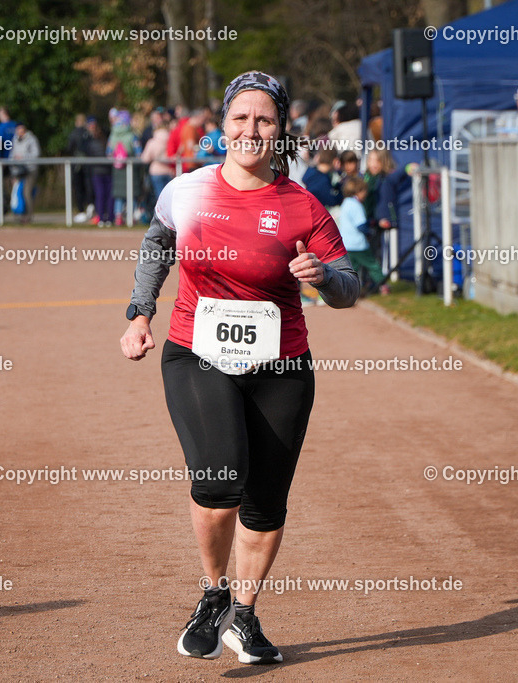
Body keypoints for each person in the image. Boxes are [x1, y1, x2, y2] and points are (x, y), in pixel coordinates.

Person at [120, 70, 359, 665]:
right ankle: (212, 594)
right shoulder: (188, 190)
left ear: (281, 131)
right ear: (222, 126)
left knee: (266, 502)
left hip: (281, 365)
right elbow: (157, 245)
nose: (251, 130)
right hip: (197, 352)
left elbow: (351, 286)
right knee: (221, 479)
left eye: (265, 120)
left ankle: (244, 617)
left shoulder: (303, 206)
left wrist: (324, 278)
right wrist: (139, 312)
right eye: (240, 119)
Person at [340, 176, 389, 295]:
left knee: (352, 270)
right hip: (358, 244)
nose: (366, 194)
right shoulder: (357, 205)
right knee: (373, 265)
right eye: (364, 191)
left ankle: (348, 291)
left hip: (346, 243)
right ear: (358, 191)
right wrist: (370, 232)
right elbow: (361, 225)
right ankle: (383, 285)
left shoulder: (345, 203)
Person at [108, 110, 138, 226]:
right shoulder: (132, 135)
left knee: (119, 194)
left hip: (117, 168)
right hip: (130, 168)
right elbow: (138, 151)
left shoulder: (113, 135)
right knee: (131, 192)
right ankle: (131, 215)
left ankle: (118, 216)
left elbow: (109, 151)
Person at [10, 123, 41, 224]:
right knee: (17, 193)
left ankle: (29, 216)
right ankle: (19, 215)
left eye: (21, 130)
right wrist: (13, 171)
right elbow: (12, 155)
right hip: (18, 171)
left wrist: (23, 157)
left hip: (30, 170)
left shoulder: (31, 139)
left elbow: (35, 154)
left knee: (27, 193)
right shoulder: (14, 140)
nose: (20, 132)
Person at [67, 114, 95, 222]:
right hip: (88, 165)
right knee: (88, 186)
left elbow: (69, 148)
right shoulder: (88, 133)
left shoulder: (74, 134)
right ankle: (89, 205)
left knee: (79, 188)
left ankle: (81, 210)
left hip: (77, 166)